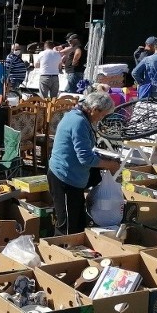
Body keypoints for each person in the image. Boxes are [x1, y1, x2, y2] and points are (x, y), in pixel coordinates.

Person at [47, 91, 120, 235]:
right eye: (102, 114)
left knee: (78, 223)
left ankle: (73, 252)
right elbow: (85, 158)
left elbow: (84, 150)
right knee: (67, 226)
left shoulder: (78, 117)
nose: (102, 118)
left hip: (73, 177)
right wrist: (109, 165)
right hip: (65, 178)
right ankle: (61, 253)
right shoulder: (78, 121)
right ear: (94, 110)